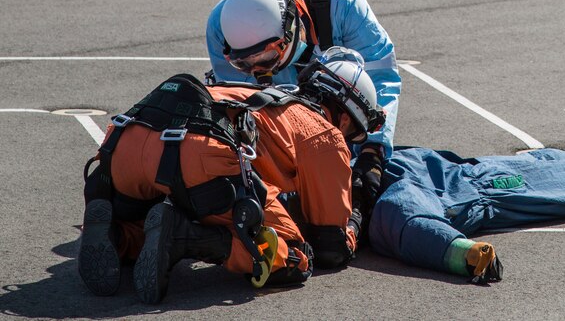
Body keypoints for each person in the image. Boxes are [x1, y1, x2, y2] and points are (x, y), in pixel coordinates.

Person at [76, 48, 385, 302]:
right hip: (201, 156)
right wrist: (358, 213)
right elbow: (332, 246)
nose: (349, 142)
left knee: (192, 204)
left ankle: (119, 235)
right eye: (354, 135)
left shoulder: (257, 94)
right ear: (345, 118)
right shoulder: (325, 135)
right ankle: (182, 238)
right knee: (291, 256)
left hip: (124, 143)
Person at [369, 97, 565, 282]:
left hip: (470, 171)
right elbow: (413, 230)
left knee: (548, 160)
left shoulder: (364, 164)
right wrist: (466, 254)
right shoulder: (387, 202)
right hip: (486, 192)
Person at [204, 0, 400, 159]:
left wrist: (373, 151)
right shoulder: (219, 27)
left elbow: (380, 77)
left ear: (292, 30)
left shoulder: (344, 3)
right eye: (244, 64)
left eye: (268, 57)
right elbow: (238, 102)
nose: (261, 73)